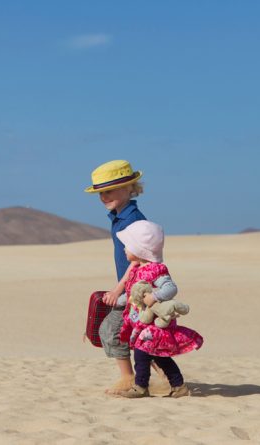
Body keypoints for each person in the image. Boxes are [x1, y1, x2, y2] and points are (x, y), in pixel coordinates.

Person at [116, 220, 203, 398]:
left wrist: (154, 297)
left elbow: (171, 288)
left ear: (140, 249)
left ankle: (141, 387)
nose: (124, 250)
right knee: (158, 355)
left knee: (141, 355)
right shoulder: (136, 270)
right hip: (140, 323)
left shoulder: (156, 270)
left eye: (128, 246)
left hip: (154, 325)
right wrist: (119, 301)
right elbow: (134, 294)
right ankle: (178, 386)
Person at [84, 159, 146, 395]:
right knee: (140, 335)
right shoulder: (119, 217)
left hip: (140, 289)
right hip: (131, 288)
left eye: (108, 191)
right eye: (100, 192)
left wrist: (119, 290)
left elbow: (138, 260)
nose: (103, 197)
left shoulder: (133, 220)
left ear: (130, 187)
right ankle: (160, 379)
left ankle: (128, 378)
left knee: (112, 330)